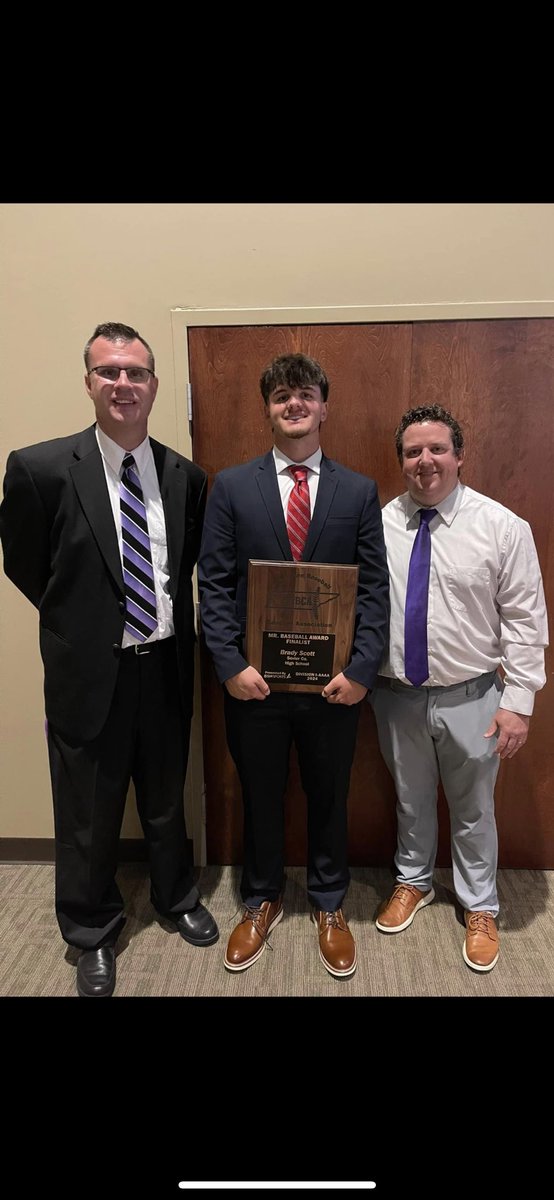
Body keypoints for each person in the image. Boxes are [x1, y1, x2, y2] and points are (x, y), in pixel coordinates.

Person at [0, 321, 219, 997]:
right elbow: (27, 565)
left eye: (136, 372)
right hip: (88, 672)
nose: (123, 383)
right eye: (109, 371)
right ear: (89, 381)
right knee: (87, 813)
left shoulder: (185, 477)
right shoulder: (40, 469)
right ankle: (91, 930)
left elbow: (183, 569)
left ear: (154, 383)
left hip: (165, 665)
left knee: (165, 797)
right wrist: (85, 625)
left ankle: (175, 897)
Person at [198, 352, 390, 977]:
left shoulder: (358, 491)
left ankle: (329, 904)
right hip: (253, 685)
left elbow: (373, 589)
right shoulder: (231, 486)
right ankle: (261, 899)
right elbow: (214, 584)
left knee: (330, 794)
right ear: (268, 409)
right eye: (282, 395)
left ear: (324, 406)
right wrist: (229, 664)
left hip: (334, 687)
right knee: (259, 794)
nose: (294, 404)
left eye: (305, 393)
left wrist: (362, 670)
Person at [370, 403, 548, 972]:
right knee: (409, 798)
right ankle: (414, 880)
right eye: (413, 452)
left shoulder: (502, 526)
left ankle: (480, 905)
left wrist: (518, 703)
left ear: (459, 456)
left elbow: (525, 620)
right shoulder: (379, 524)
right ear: (401, 461)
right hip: (395, 695)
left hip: (473, 697)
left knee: (474, 809)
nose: (425, 461)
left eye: (437, 449)